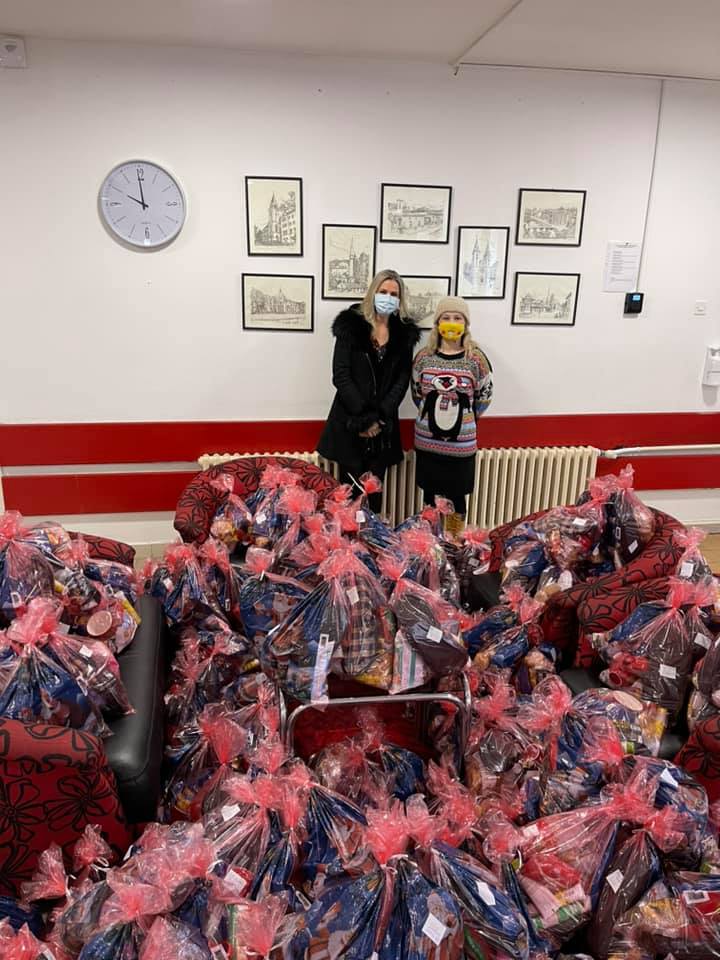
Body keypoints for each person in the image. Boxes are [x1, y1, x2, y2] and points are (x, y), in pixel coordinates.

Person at [318, 269, 420, 513]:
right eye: (383, 292)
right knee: (349, 498)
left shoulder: (403, 333)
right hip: (351, 423)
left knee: (373, 497)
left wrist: (379, 418)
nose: (388, 297)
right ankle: (349, 538)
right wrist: (364, 418)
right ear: (372, 293)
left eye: (394, 294)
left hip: (382, 430)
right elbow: (341, 375)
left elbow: (402, 379)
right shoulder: (351, 326)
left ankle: (371, 536)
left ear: (400, 299)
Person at [411, 296, 493, 536]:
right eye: (446, 317)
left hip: (461, 449)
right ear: (437, 323)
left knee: (457, 498)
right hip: (428, 445)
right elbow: (417, 394)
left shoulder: (476, 359)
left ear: (465, 324)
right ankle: (430, 543)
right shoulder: (424, 357)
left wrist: (466, 419)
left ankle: (454, 542)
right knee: (429, 499)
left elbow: (485, 396)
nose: (451, 322)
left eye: (457, 318)